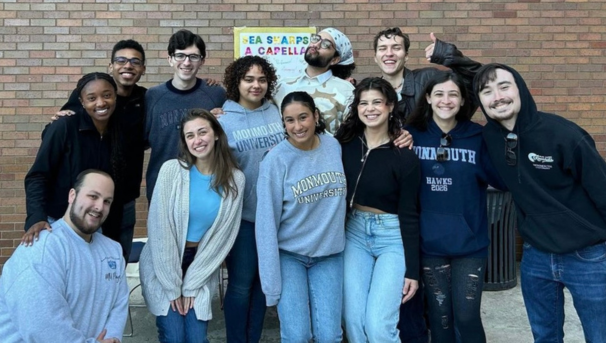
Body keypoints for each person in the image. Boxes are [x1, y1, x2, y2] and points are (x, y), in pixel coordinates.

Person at [473, 63, 606, 343]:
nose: (497, 96)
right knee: (544, 336)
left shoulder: (564, 134)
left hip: (588, 256)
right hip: (536, 256)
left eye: (504, 86)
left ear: (520, 88)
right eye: (487, 91)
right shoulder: (490, 137)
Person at [372, 27, 483, 342]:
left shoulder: (427, 80)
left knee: (451, 309)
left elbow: (474, 85)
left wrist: (450, 56)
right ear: (376, 55)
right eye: (383, 48)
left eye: (396, 47)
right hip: (400, 207)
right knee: (411, 296)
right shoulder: (372, 91)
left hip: (437, 200)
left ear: (406, 53)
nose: (389, 53)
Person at [405, 71, 505, 343]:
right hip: (429, 244)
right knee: (440, 317)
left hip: (469, 244)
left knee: (467, 316)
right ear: (428, 98)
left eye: (453, 94)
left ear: (462, 101)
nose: (445, 100)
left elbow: (502, 180)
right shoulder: (411, 137)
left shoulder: (479, 136)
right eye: (438, 94)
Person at [139, 109, 245, 343]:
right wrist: (173, 285)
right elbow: (159, 230)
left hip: (203, 263)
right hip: (164, 263)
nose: (197, 140)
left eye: (202, 132)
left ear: (216, 134)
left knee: (196, 338)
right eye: (190, 136)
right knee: (175, 336)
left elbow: (223, 238)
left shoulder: (235, 179)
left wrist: (192, 284)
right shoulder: (171, 171)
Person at [37, 39, 148, 260]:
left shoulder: (146, 99)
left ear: (143, 68)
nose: (128, 65)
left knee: (114, 263)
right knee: (74, 262)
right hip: (82, 201)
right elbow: (59, 136)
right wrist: (54, 125)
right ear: (111, 66)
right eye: (121, 60)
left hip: (123, 198)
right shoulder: (86, 96)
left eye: (135, 61)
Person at [256, 91, 346, 342]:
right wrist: (271, 285)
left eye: (303, 117)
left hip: (329, 255)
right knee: (297, 336)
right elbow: (265, 225)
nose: (297, 126)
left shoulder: (333, 146)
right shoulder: (275, 160)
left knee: (330, 336)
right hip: (290, 257)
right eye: (289, 120)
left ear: (316, 116)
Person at [336, 77, 421, 342]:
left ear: (390, 107)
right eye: (364, 103)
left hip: (392, 237)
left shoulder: (404, 155)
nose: (370, 109)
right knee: (353, 321)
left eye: (377, 102)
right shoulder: (343, 143)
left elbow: (410, 214)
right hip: (355, 232)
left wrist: (413, 271)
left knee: (378, 326)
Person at [0, 169, 127, 343]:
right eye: (93, 196)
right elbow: (43, 327)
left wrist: (113, 338)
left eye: (107, 201)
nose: (99, 207)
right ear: (72, 195)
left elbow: (119, 304)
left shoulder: (113, 250)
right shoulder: (42, 249)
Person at [218, 56, 283, 343]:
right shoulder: (223, 118)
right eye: (248, 79)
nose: (256, 85)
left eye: (261, 79)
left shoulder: (277, 113)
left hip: (276, 217)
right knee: (241, 285)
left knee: (261, 285)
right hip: (243, 217)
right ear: (237, 82)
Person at [23, 72, 126, 250]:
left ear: (115, 97)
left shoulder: (118, 132)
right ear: (82, 102)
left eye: (107, 95)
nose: (101, 103)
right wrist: (36, 217)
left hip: (95, 225)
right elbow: (38, 176)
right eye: (92, 98)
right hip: (55, 222)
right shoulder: (64, 127)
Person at [145, 29, 226, 201]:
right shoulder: (152, 96)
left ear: (202, 61)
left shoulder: (216, 94)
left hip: (205, 188)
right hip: (163, 187)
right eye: (180, 55)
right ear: (170, 59)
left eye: (194, 57)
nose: (187, 62)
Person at [273, 27, 356, 133]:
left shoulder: (346, 90)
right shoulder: (281, 86)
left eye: (326, 45)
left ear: (335, 60)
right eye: (316, 39)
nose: (315, 45)